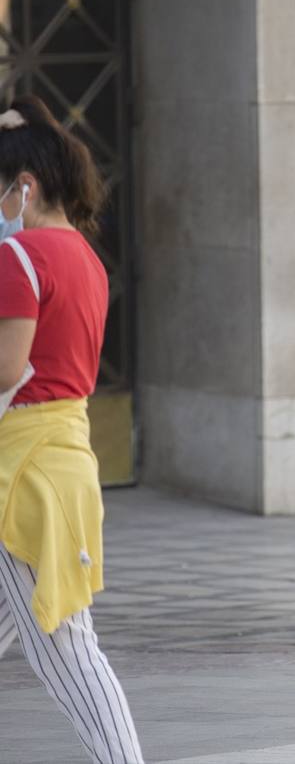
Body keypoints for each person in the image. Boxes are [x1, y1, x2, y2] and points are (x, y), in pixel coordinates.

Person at [0, 96, 144, 763]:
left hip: (24, 468)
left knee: (65, 650)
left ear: (23, 187)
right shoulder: (83, 256)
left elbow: (10, 366)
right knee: (62, 642)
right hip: (56, 460)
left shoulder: (22, 256)